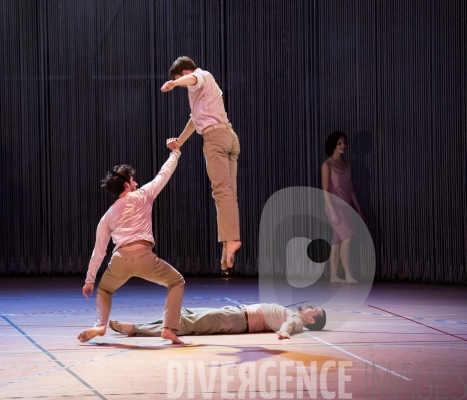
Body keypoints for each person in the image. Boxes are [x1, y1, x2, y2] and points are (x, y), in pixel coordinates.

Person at [78, 138, 185, 344]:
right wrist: (175, 152)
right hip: (144, 256)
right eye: (133, 180)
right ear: (127, 184)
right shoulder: (143, 195)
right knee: (176, 282)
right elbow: (164, 174)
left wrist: (89, 280)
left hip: (119, 259)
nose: (136, 182)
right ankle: (169, 329)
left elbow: (98, 251)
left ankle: (100, 325)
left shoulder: (108, 215)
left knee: (105, 290)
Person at [160, 56, 241, 274]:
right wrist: (180, 141)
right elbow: (195, 119)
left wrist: (174, 83)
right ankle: (228, 246)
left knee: (221, 192)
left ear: (185, 73)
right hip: (229, 137)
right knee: (229, 193)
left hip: (216, 139)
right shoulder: (202, 93)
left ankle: (230, 239)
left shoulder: (201, 76)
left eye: (179, 78)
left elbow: (194, 78)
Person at [109, 304, 326, 341]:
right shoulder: (296, 315)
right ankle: (138, 328)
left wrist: (285, 332)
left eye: (313, 310)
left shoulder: (296, 320)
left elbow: (288, 325)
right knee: (184, 315)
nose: (309, 307)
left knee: (186, 324)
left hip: (238, 320)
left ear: (310, 319)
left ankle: (135, 328)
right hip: (236, 314)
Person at [321, 131, 365, 284]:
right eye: (339, 143)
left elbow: (350, 188)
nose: (343, 146)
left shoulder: (347, 164)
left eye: (344, 143)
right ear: (333, 144)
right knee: (347, 238)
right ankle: (347, 274)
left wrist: (358, 209)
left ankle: (333, 276)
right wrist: (332, 211)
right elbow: (325, 190)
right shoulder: (327, 165)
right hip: (334, 207)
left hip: (346, 207)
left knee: (337, 240)